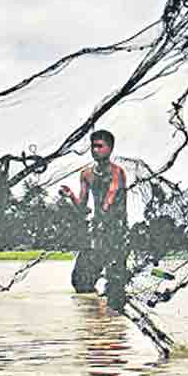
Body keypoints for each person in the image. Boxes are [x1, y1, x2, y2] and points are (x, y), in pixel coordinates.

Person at [59, 129, 130, 311]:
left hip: (116, 232)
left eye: (100, 146)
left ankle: (113, 325)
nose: (95, 150)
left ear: (110, 149)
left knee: (115, 282)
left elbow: (111, 196)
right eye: (93, 146)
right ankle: (93, 322)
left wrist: (102, 218)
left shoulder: (117, 172)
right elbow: (82, 206)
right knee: (80, 281)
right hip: (98, 231)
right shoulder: (86, 174)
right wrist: (70, 196)